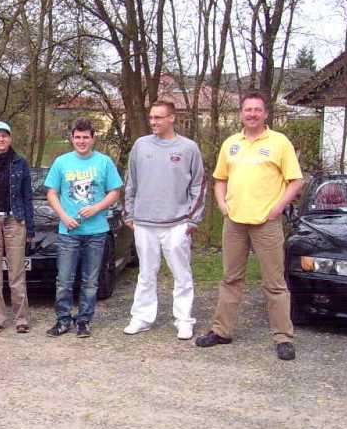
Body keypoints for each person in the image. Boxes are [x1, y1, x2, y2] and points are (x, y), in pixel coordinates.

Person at [195, 92, 303, 360]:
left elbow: (296, 181)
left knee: (274, 283)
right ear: (241, 113)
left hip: (267, 223)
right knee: (230, 279)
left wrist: (278, 208)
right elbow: (220, 179)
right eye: (248, 110)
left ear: (265, 113)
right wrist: (222, 204)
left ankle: (283, 337)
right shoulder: (231, 143)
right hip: (234, 223)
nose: (252, 114)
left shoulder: (279, 142)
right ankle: (221, 331)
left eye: (257, 109)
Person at [122, 101, 206, 340]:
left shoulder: (188, 148)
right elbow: (131, 181)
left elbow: (199, 185)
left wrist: (193, 219)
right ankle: (142, 317)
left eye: (158, 117)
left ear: (172, 118)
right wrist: (128, 213)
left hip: (177, 222)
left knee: (182, 273)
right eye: (151, 117)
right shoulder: (141, 145)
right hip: (144, 222)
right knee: (146, 273)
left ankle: (184, 320)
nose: (153, 122)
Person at [44, 118, 123, 338]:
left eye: (85, 137)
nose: (81, 141)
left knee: (90, 281)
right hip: (68, 232)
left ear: (93, 138)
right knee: (64, 280)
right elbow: (51, 193)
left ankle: (84, 321)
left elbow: (115, 192)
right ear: (72, 138)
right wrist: (63, 216)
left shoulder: (104, 162)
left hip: (96, 232)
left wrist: (97, 207)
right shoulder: (61, 162)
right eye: (77, 137)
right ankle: (63, 320)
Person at [0, 121, 35, 333]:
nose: (1, 139)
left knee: (17, 272)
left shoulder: (20, 162)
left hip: (15, 219)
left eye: (4, 135)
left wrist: (30, 228)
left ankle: (22, 318)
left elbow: (27, 196)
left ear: (10, 138)